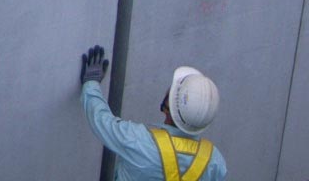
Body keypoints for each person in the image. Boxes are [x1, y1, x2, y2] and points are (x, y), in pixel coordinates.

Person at [79, 45, 227, 181]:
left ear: (168, 106)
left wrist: (91, 84)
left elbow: (103, 122)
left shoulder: (139, 142)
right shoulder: (214, 161)